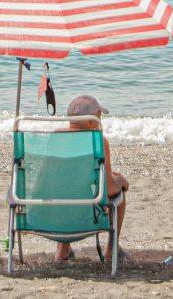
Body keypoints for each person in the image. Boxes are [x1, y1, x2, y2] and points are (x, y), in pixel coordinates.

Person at [54, 95, 130, 261]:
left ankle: (62, 250)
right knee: (119, 195)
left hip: (52, 214)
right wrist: (120, 181)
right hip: (87, 216)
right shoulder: (99, 142)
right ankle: (112, 248)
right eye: (99, 116)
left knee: (64, 190)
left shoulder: (54, 139)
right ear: (90, 121)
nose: (100, 120)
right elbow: (109, 188)